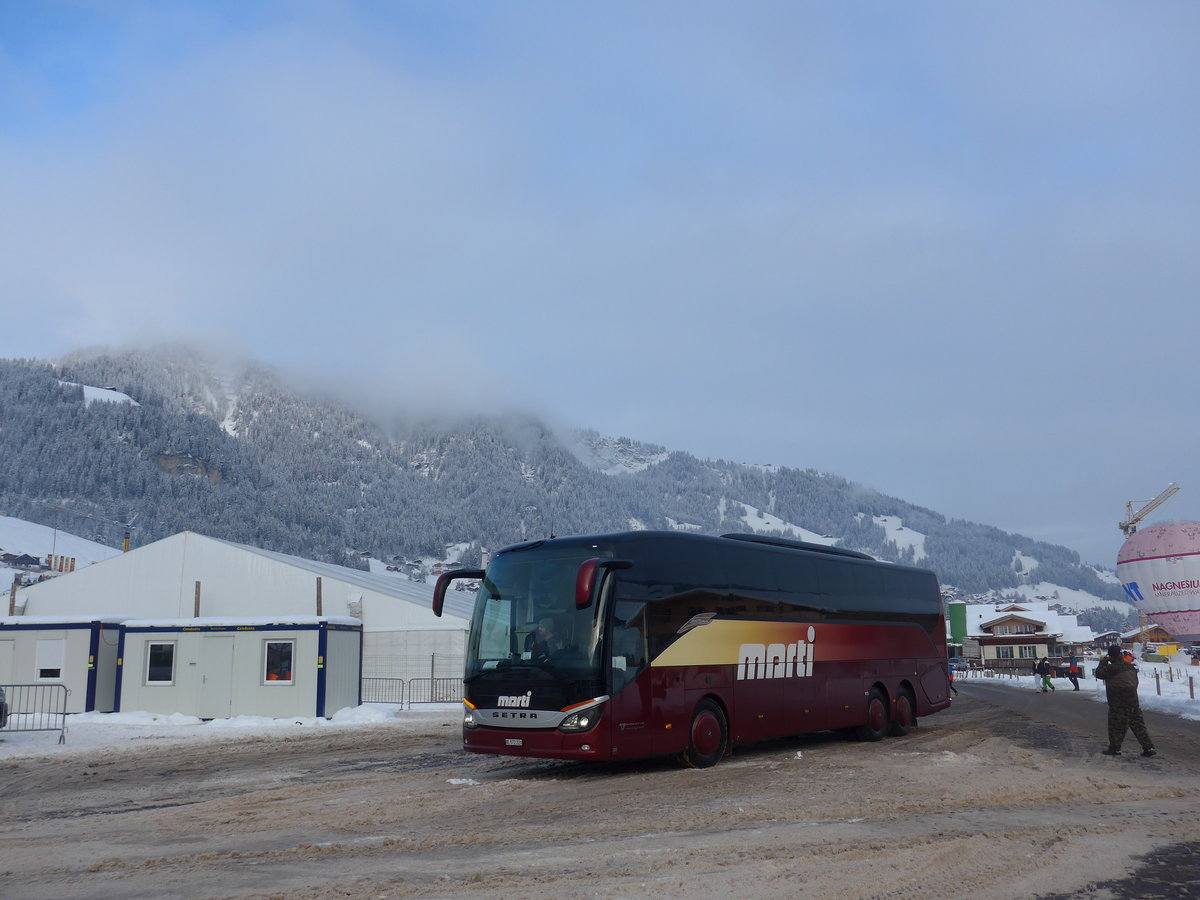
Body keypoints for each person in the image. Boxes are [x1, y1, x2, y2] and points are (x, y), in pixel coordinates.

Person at [1094, 644, 1156, 757]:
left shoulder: (1111, 668)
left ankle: (1115, 748)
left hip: (1118, 702)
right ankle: (1149, 747)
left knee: (1116, 725)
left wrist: (1103, 662)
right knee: (1138, 725)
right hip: (1133, 700)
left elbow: (1098, 673)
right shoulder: (1130, 667)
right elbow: (1136, 682)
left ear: (1110, 655)